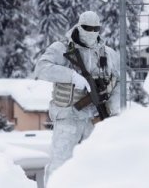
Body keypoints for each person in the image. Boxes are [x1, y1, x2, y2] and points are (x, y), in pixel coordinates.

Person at [33, 11, 121, 184]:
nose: (92, 31)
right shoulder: (62, 48)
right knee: (60, 165)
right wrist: (72, 77)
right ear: (79, 26)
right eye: (87, 28)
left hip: (95, 119)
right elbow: (41, 68)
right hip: (68, 117)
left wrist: (111, 107)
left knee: (95, 166)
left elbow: (119, 83)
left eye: (96, 28)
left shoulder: (108, 54)